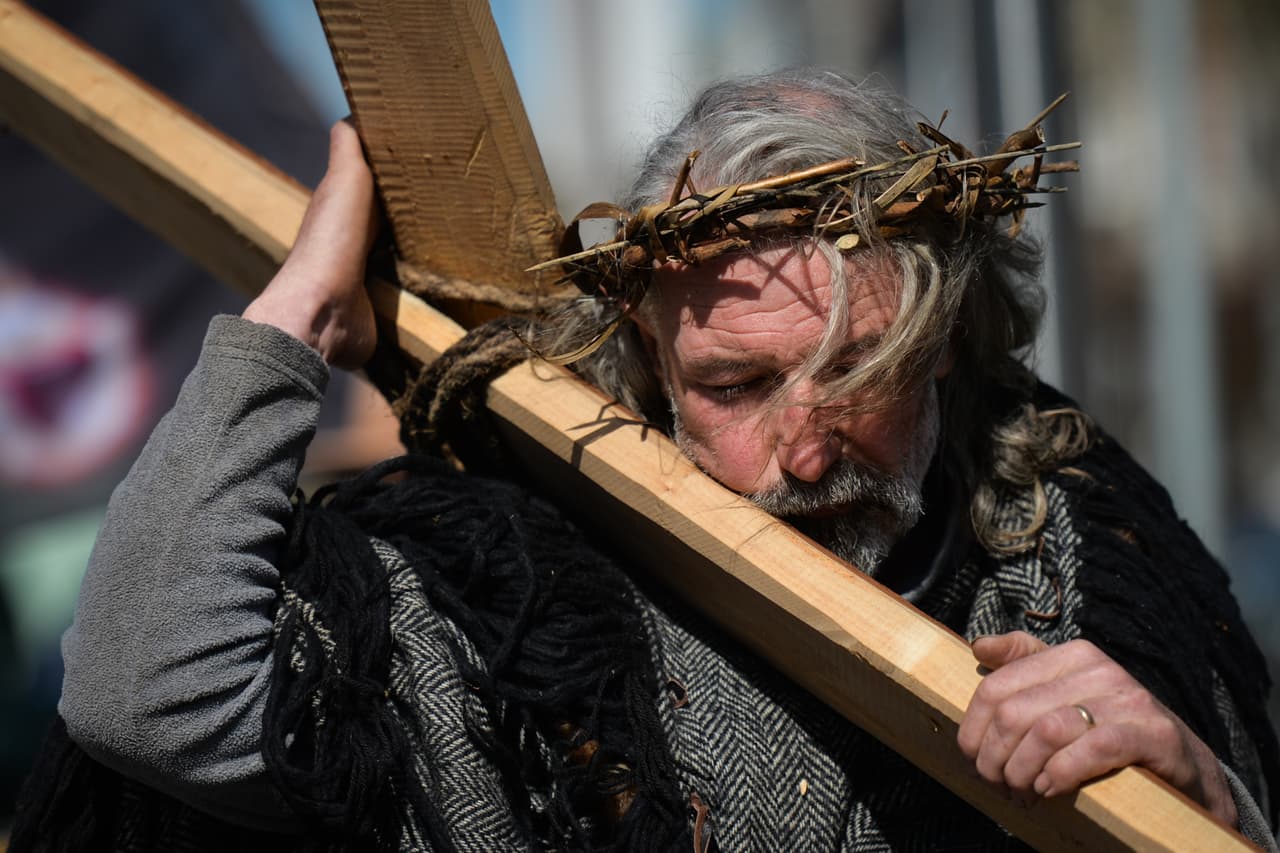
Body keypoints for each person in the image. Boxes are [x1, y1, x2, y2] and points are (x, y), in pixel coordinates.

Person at [17, 69, 1278, 851]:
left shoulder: (1078, 551)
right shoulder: (509, 614)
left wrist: (1201, 802)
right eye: (732, 385)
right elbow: (143, 694)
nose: (804, 442)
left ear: (944, 341)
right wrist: (295, 317)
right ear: (650, 364)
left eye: (858, 367)